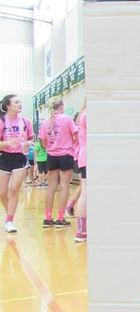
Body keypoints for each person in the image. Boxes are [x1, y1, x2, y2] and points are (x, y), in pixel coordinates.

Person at [39, 97, 78, 228]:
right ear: (61, 106)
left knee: (51, 187)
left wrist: (52, 146)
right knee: (65, 186)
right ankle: (61, 218)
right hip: (66, 154)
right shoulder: (67, 118)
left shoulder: (46, 121)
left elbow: (43, 142)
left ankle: (48, 218)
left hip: (51, 156)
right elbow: (76, 136)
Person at [0, 94, 34, 233]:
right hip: (4, 157)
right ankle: (10, 213)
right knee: (2, 192)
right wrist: (7, 143)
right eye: (16, 102)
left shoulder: (26, 121)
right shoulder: (1, 121)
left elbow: (31, 138)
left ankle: (9, 220)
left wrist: (28, 144)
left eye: (20, 102)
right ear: (8, 105)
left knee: (14, 189)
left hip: (20, 157)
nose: (20, 104)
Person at [74, 103, 87, 243]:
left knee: (85, 192)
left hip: (85, 156)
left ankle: (82, 230)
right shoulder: (90, 114)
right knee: (86, 193)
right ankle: (81, 230)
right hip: (91, 157)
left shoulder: (84, 113)